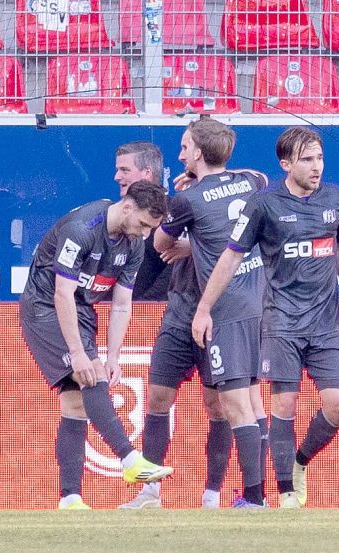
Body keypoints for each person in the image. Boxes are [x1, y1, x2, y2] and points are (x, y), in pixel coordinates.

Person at [192, 126, 339, 509]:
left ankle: (300, 461)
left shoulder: (337, 199)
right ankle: (286, 492)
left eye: (319, 157)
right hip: (281, 320)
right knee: (283, 405)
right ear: (286, 164)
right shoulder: (263, 204)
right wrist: (204, 308)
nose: (316, 166)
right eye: (307, 159)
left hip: (326, 322)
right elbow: (232, 257)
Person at [19, 179, 174, 510]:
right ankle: (130, 459)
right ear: (128, 206)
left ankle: (70, 498)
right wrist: (77, 353)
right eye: (144, 224)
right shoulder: (82, 229)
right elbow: (61, 293)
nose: (146, 234)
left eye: (152, 228)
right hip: (45, 305)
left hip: (81, 307)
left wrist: (114, 355)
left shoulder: (134, 244)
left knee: (76, 403)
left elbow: (120, 304)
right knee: (90, 376)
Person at [118, 145, 247, 510]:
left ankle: (211, 495)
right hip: (179, 312)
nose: (182, 157)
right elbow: (160, 244)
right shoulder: (180, 202)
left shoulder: (233, 194)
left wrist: (193, 247)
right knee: (158, 397)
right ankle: (150, 493)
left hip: (219, 314)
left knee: (218, 406)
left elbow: (235, 241)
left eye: (186, 149)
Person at [154, 118, 269, 509]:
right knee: (252, 401)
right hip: (258, 299)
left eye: (185, 147)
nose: (180, 153)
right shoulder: (251, 183)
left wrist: (189, 238)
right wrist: (200, 244)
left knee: (236, 404)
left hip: (227, 304)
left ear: (199, 153)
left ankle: (254, 497)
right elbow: (259, 177)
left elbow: (160, 242)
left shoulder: (189, 199)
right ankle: (256, 494)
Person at [114, 141, 174, 301]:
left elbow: (173, 273)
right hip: (113, 311)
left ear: (147, 172)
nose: (117, 177)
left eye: (124, 170)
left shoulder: (174, 213)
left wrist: (141, 309)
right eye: (117, 170)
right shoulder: (118, 213)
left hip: (151, 315)